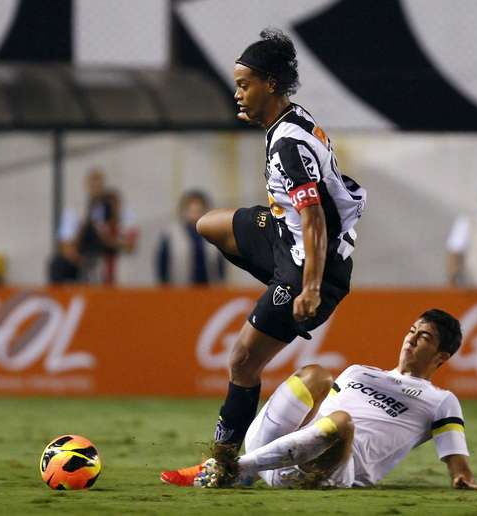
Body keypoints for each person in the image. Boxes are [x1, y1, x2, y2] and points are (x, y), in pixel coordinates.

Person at [160, 28, 367, 485]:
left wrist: (309, 288)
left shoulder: (289, 145)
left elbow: (313, 219)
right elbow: (303, 211)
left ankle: (224, 464)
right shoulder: (290, 122)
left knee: (242, 363)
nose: (237, 94)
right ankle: (276, 283)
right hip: (282, 237)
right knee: (208, 224)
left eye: (244, 84)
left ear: (270, 84)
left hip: (310, 266)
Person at [184, 309, 477, 490]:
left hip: (329, 474)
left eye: (424, 338)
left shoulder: (441, 400)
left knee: (342, 423)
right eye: (411, 331)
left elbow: (457, 461)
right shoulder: (359, 372)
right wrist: (295, 443)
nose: (410, 339)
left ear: (442, 356)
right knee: (317, 375)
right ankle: (244, 468)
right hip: (281, 452)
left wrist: (461, 479)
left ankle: (231, 469)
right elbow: (316, 414)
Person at [50, 169, 138, 284]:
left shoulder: (118, 211)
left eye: (99, 184)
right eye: (93, 185)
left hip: (109, 261)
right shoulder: (75, 210)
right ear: (87, 186)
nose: (96, 188)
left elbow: (130, 245)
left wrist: (109, 238)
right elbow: (66, 247)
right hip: (86, 263)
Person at [156, 190, 225, 285]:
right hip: (179, 291)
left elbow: (220, 266)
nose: (195, 213)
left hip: (209, 290)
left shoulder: (214, 234)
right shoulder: (170, 234)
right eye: (191, 209)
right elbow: (163, 264)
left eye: (199, 209)